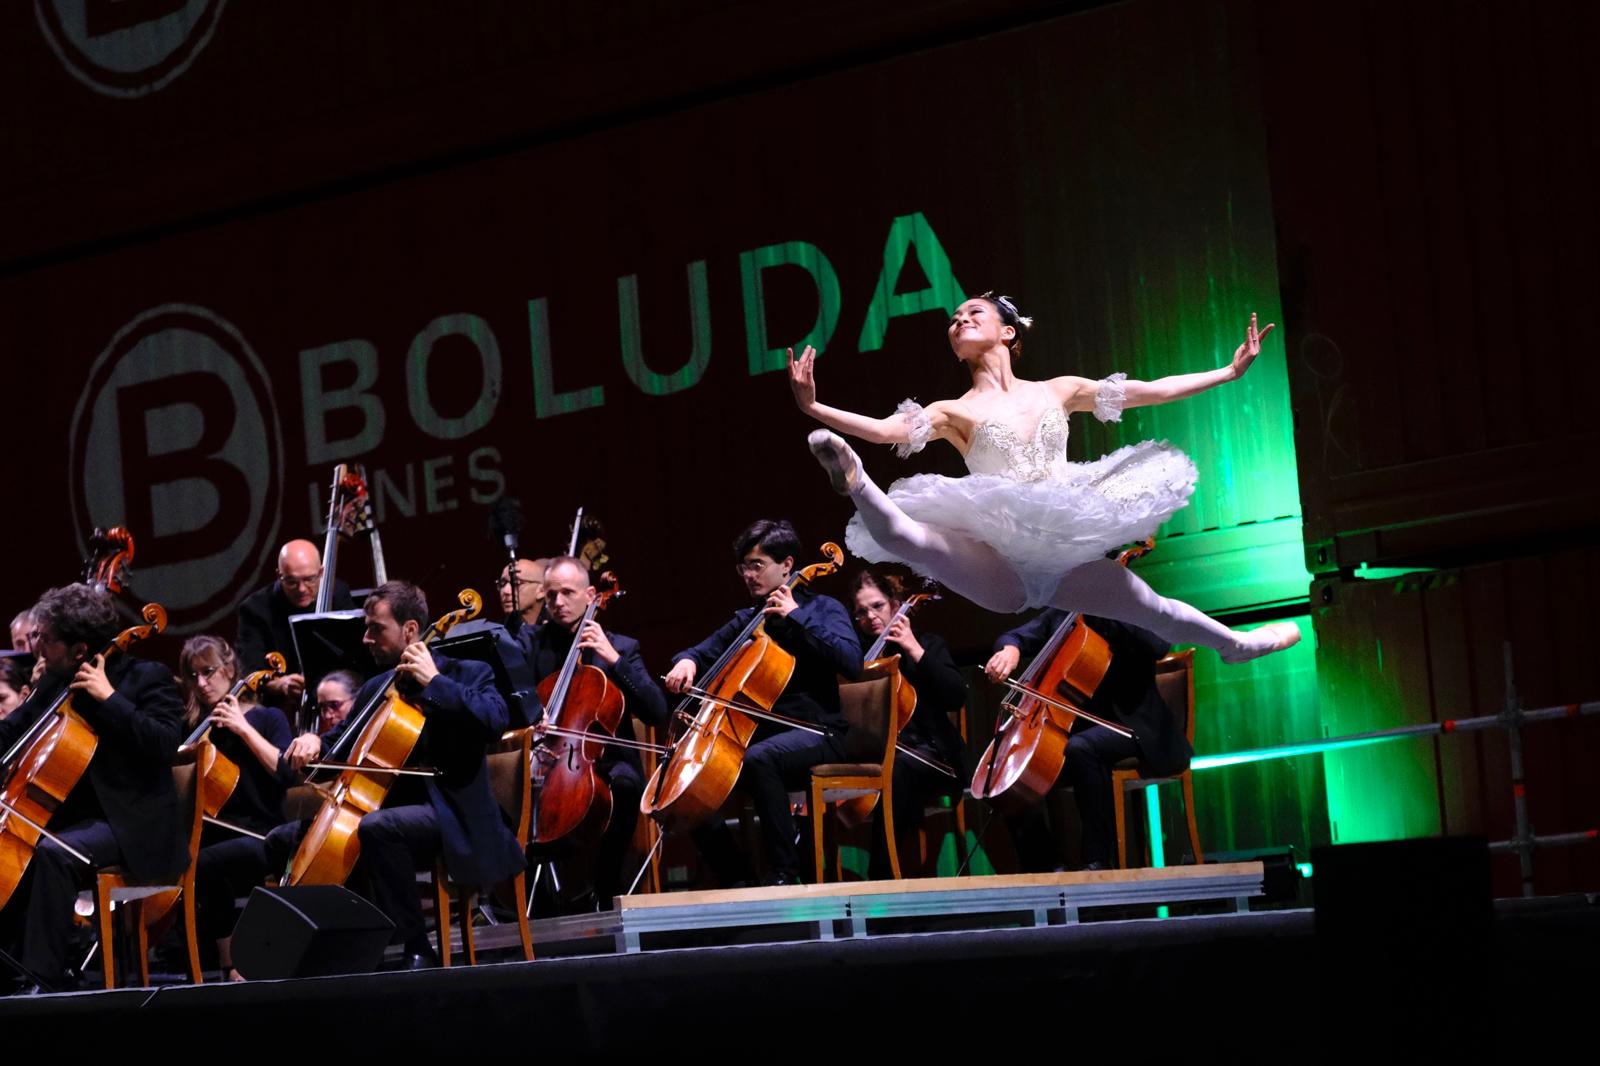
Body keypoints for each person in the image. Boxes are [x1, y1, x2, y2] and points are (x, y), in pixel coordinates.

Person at [790, 293, 1300, 664]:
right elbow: (884, 431)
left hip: (1063, 556)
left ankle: (1235, 645)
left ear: (1008, 332)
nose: (960, 319)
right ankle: (854, 478)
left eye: (974, 313)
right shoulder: (954, 410)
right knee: (911, 537)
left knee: (1153, 608)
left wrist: (1226, 374)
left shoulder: (1059, 389)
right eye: (954, 319)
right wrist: (814, 406)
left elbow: (1154, 390)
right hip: (997, 562)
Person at [280, 581, 524, 968]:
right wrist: (312, 742)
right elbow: (339, 741)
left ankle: (417, 947)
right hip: (388, 808)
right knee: (284, 839)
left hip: (453, 813)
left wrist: (435, 682)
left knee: (379, 828)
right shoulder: (378, 687)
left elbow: (494, 721)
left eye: (376, 628)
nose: (366, 638)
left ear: (410, 630)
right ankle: (346, 950)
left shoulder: (467, 672)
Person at [0, 585, 186, 994]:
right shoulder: (57, 681)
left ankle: (41, 982)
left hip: (131, 825)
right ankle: (10, 968)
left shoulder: (145, 677)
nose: (36, 648)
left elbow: (164, 744)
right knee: (20, 848)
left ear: (80, 649)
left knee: (52, 855)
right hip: (76, 821)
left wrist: (110, 699)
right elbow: (13, 731)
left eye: (45, 639)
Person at [662, 519, 862, 885]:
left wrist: (795, 617)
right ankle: (739, 879)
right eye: (744, 567)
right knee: (689, 787)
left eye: (757, 565)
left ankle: (785, 874)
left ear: (787, 565)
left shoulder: (821, 608)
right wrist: (687, 661)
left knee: (759, 760)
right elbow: (699, 652)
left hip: (820, 733)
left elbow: (852, 662)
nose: (749, 575)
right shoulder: (748, 620)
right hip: (764, 737)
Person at [985, 609, 1189, 870]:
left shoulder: (1128, 605)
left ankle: (1097, 861)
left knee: (1082, 749)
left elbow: (1159, 644)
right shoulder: (1066, 614)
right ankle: (1045, 866)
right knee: (1005, 773)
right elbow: (1015, 635)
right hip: (1080, 726)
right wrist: (1010, 648)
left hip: (1135, 725)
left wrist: (1107, 610)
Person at [522, 556, 667, 906]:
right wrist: (531, 718)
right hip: (549, 757)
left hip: (607, 761)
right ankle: (538, 904)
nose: (558, 603)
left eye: (567, 593)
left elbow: (656, 710)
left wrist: (612, 659)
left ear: (590, 595)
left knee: (627, 786)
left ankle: (606, 889)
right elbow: (518, 700)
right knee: (512, 791)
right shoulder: (533, 646)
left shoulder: (622, 647)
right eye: (552, 595)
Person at [177, 635, 294, 978]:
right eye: (192, 676)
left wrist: (242, 729)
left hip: (261, 834)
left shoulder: (268, 718)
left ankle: (231, 963)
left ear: (229, 669)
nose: (201, 683)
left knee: (203, 863)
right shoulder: (195, 729)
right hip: (211, 832)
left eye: (208, 672)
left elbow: (285, 771)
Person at [848, 569, 967, 878]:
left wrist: (913, 648)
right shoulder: (858, 658)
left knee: (896, 772)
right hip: (883, 758)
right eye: (861, 611)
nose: (870, 616)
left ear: (895, 604)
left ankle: (880, 878)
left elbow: (955, 696)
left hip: (936, 758)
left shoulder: (928, 644)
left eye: (877, 606)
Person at [234, 539, 355, 707]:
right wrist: (281, 685)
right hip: (282, 708)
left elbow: (353, 656)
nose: (302, 589)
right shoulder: (255, 609)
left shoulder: (338, 594)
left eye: (309, 579)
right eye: (291, 581)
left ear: (321, 573)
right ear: (279, 575)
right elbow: (250, 671)